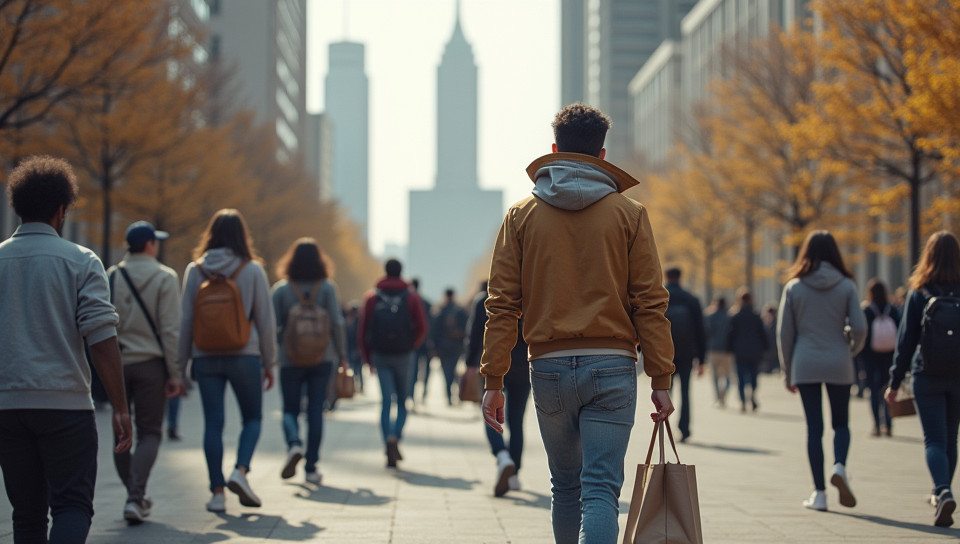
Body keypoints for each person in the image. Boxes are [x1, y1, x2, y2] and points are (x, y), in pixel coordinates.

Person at [479, 103, 675, 544]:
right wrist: (661, 375)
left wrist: (494, 378)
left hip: (547, 366)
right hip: (613, 365)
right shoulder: (630, 214)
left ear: (554, 150)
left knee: (564, 487)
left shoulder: (521, 215)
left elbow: (502, 303)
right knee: (601, 489)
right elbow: (650, 302)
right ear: (601, 156)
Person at [0, 155, 132, 543]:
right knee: (72, 506)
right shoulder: (80, 260)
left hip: (7, 406)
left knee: (25, 515)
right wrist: (121, 407)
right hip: (65, 405)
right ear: (61, 210)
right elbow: (102, 339)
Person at [178, 209, 277, 513]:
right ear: (241, 235)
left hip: (205, 358)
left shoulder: (195, 271)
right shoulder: (252, 270)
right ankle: (240, 471)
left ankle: (217, 493)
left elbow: (186, 321)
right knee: (253, 418)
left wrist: (179, 367)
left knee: (213, 423)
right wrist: (269, 362)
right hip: (244, 356)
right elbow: (265, 321)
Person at [777, 230, 866, 512]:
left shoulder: (794, 287)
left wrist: (787, 371)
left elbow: (784, 334)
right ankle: (839, 465)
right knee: (841, 423)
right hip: (839, 359)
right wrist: (850, 349)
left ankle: (819, 493)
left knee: (813, 428)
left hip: (805, 362)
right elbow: (861, 327)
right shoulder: (847, 285)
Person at [107, 221, 183, 523]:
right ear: (150, 245)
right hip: (151, 365)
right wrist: (175, 374)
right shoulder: (165, 277)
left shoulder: (113, 275)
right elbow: (170, 329)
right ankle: (135, 498)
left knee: (121, 432)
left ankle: (133, 496)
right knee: (150, 432)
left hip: (118, 363)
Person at [886, 230, 960, 527]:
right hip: (959, 375)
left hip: (926, 373)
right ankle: (942, 490)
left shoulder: (919, 292)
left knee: (934, 439)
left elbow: (905, 341)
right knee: (951, 437)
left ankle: (941, 489)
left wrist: (894, 382)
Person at [271, 238, 347, 485]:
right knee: (316, 409)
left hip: (289, 358)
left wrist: (271, 355)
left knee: (290, 409)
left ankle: (294, 444)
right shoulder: (327, 288)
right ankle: (311, 467)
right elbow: (336, 322)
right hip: (322, 357)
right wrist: (343, 355)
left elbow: (271, 326)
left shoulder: (282, 290)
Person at [357, 258, 428, 468]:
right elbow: (422, 326)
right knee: (403, 401)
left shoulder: (372, 297)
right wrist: (411, 345)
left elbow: (363, 331)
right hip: (404, 355)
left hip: (380, 355)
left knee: (386, 401)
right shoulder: (411, 297)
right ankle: (396, 437)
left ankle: (387, 438)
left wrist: (367, 358)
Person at [465, 281, 531, 497]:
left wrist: (469, 365)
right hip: (524, 366)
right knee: (517, 421)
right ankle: (514, 476)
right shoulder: (530, 295)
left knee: (490, 414)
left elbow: (475, 335)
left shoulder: (484, 299)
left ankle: (502, 457)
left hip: (494, 365)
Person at [664, 266, 706, 442]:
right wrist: (701, 359)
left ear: (666, 277)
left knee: (664, 391)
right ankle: (685, 429)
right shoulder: (691, 299)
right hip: (687, 352)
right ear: (680, 277)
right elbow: (701, 331)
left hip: (665, 353)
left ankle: (663, 426)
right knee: (685, 392)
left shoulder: (660, 297)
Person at [859, 278, 900, 437]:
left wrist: (861, 358)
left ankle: (876, 425)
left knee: (874, 391)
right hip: (889, 357)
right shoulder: (893, 310)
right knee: (888, 391)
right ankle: (888, 425)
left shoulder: (867, 310)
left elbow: (862, 335)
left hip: (871, 357)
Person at [727, 288, 769, 413]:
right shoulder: (756, 316)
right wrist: (766, 347)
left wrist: (729, 348)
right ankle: (753, 394)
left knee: (740, 377)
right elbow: (762, 333)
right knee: (754, 375)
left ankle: (743, 401)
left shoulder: (735, 316)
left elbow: (730, 334)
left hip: (739, 351)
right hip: (754, 350)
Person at [432, 288, 469, 405]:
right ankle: (456, 394)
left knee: (446, 373)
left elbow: (434, 331)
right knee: (454, 371)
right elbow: (467, 328)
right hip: (456, 347)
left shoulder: (440, 310)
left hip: (443, 348)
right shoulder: (460, 310)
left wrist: (434, 347)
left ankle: (448, 395)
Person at [704, 295, 734, 408]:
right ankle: (723, 394)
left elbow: (706, 333)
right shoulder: (730, 316)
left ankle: (718, 396)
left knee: (715, 377)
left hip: (713, 350)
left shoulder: (709, 316)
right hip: (727, 351)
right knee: (728, 377)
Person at [409, 278, 433, 404]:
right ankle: (424, 391)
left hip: (414, 342)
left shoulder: (408, 302)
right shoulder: (427, 303)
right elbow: (432, 325)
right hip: (427, 342)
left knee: (413, 369)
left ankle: (411, 395)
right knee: (427, 369)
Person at [344, 302, 364, 393]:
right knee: (353, 368)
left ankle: (359, 386)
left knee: (358, 369)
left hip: (355, 348)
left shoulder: (357, 322)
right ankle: (352, 386)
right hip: (351, 348)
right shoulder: (348, 321)